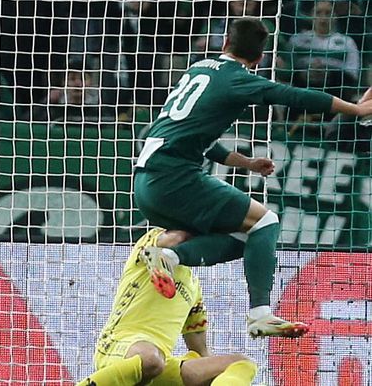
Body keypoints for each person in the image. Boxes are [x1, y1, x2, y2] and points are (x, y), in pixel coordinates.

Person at [133, 17, 372, 338]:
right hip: (174, 179)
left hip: (146, 184)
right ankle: (258, 313)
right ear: (259, 58)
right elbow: (294, 95)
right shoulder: (239, 79)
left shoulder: (198, 69)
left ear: (224, 43)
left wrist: (245, 162)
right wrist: (357, 110)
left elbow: (195, 136)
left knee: (247, 237)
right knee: (266, 223)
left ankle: (169, 252)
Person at [78, 228, 258, 386]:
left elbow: (200, 351)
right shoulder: (152, 243)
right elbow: (174, 239)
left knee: (240, 363)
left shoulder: (194, 287)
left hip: (160, 364)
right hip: (118, 346)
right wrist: (211, 225)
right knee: (151, 358)